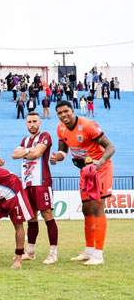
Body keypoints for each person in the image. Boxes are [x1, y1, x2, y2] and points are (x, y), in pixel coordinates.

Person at [51, 101, 115, 265]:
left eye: (66, 111)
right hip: (85, 172)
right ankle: (89, 250)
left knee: (97, 208)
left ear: (72, 111)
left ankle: (98, 255)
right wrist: (56, 158)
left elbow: (110, 147)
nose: (63, 115)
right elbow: (63, 151)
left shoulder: (88, 125)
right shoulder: (61, 128)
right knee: (87, 210)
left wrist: (99, 163)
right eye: (60, 113)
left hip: (101, 169)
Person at [12, 112, 59, 264]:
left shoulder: (45, 135)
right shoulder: (25, 140)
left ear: (40, 123)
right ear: (26, 124)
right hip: (27, 183)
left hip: (41, 181)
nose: (32, 124)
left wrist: (25, 152)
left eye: (34, 121)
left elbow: (38, 152)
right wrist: (28, 151)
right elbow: (14, 155)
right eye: (29, 122)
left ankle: (53, 253)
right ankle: (30, 252)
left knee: (47, 214)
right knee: (31, 218)